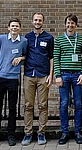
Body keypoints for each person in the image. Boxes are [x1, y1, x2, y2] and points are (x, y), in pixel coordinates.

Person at [0, 18, 28, 147]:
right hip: (0, 78)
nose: (14, 28)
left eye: (17, 26)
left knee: (12, 108)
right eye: (12, 26)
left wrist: (20, 57)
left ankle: (11, 134)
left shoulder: (23, 42)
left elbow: (27, 56)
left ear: (20, 28)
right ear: (8, 28)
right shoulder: (1, 39)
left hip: (13, 79)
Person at [53, 14, 82, 145]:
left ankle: (78, 131)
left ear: (76, 25)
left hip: (77, 75)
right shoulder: (59, 39)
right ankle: (64, 132)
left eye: (72, 23)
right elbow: (56, 58)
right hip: (64, 75)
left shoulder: (81, 40)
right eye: (68, 23)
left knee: (78, 104)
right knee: (64, 104)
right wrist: (58, 75)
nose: (70, 25)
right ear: (65, 24)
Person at [21, 13, 54, 146]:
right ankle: (28, 133)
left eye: (40, 20)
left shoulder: (49, 38)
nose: (37, 22)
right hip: (29, 75)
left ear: (43, 22)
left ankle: (41, 133)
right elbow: (23, 54)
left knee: (43, 105)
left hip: (43, 75)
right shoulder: (26, 38)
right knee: (28, 105)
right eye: (35, 20)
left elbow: (51, 57)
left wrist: (51, 75)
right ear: (32, 21)